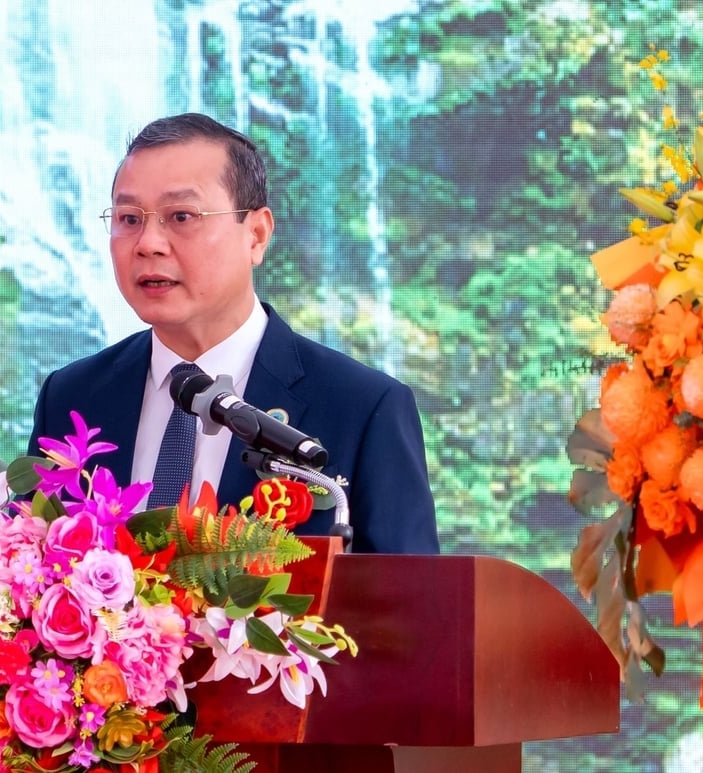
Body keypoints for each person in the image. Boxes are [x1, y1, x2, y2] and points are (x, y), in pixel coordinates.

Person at [28, 113, 438, 554]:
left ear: (257, 236)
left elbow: (412, 609)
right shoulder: (72, 397)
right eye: (129, 219)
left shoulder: (362, 408)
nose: (147, 243)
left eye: (181, 215)